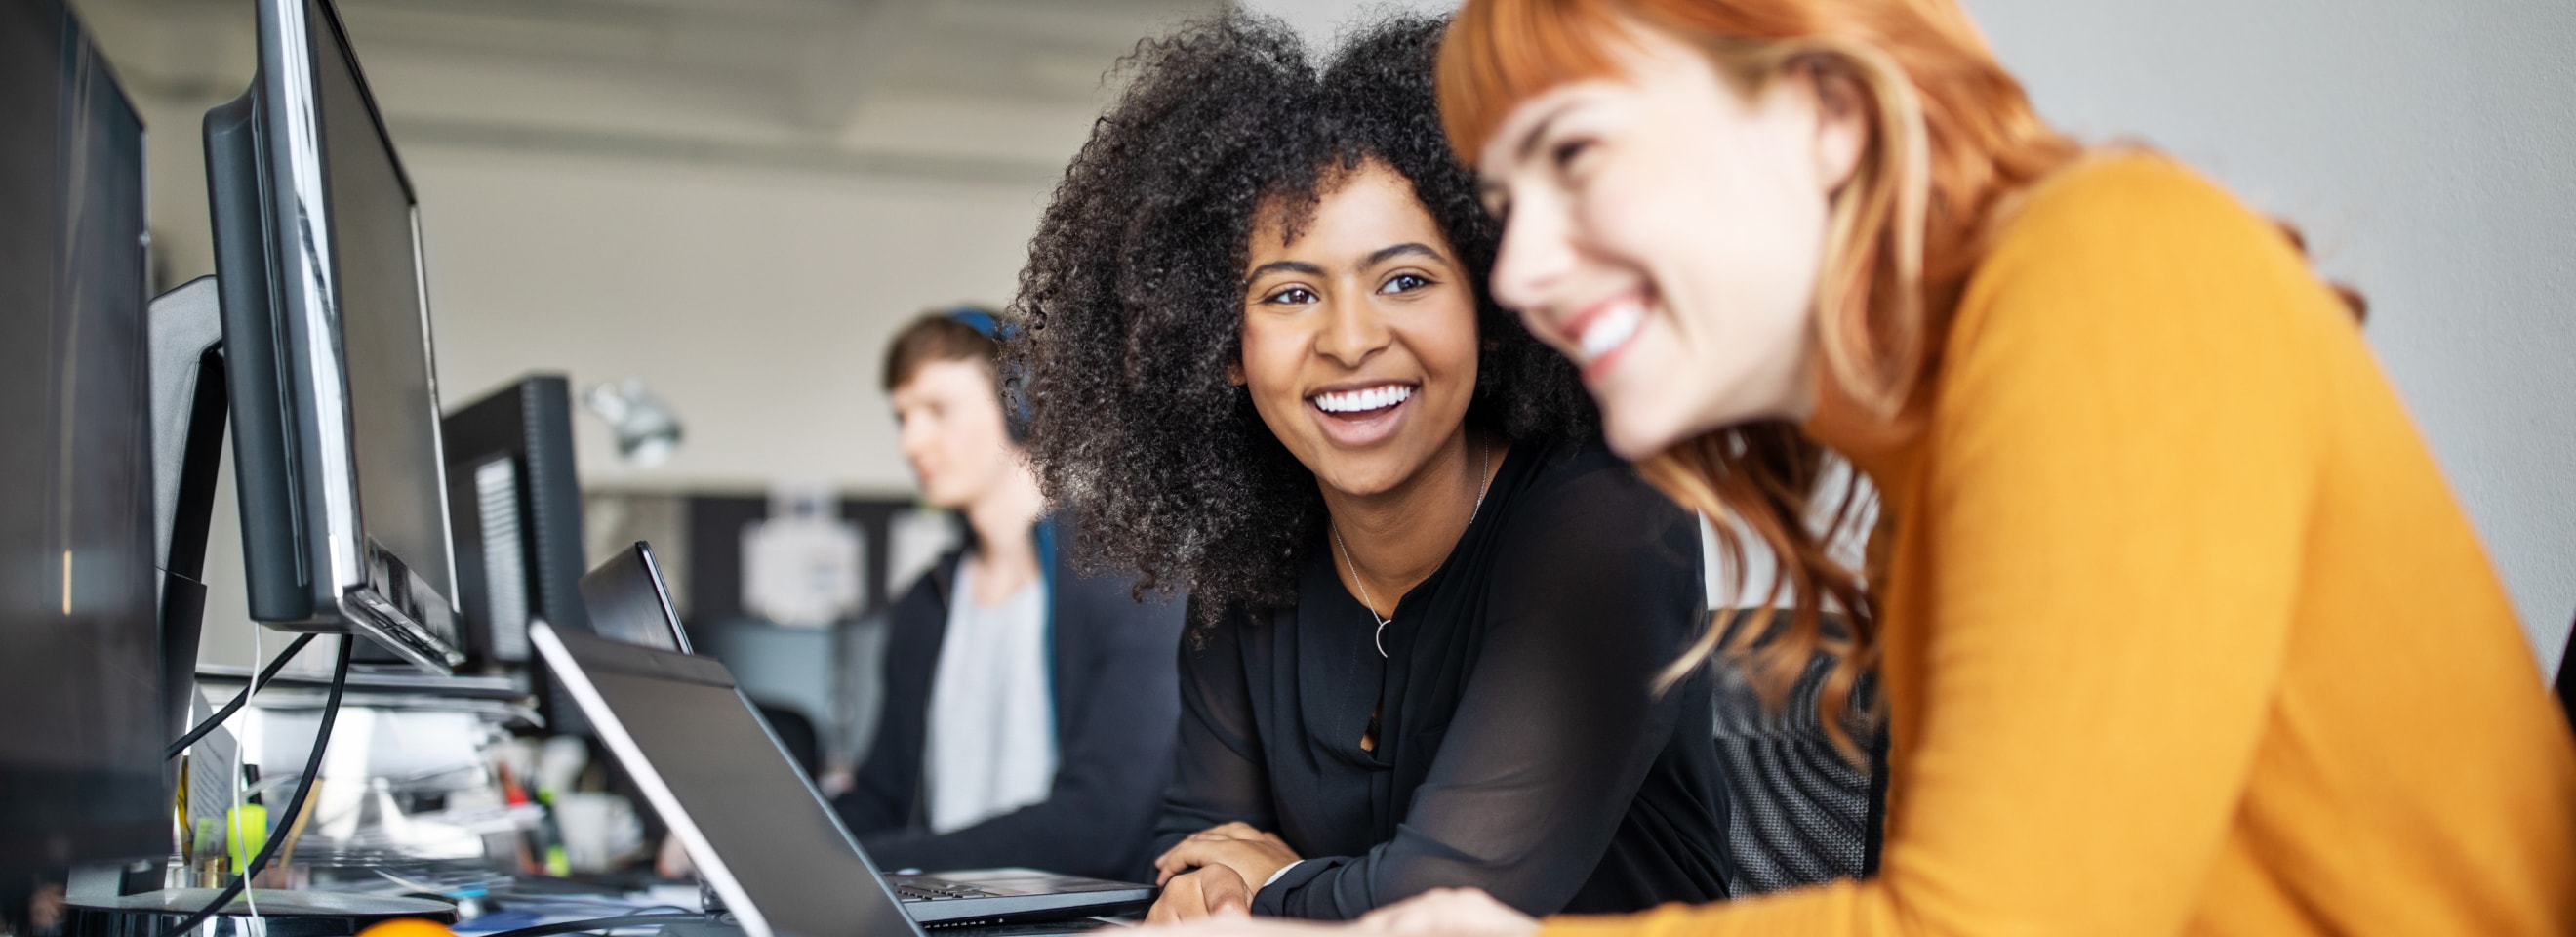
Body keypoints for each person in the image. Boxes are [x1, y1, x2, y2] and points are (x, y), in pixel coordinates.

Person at [1168, 0, 2575, 934]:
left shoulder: (2107, 270)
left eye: (1578, 155)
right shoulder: (1948, 439)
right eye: (1511, 203)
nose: (1524, 272)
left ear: (1828, 114)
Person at [1010, 13, 1734, 924]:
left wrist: (1271, 883)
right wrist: (1235, 887)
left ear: (1492, 302)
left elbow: (1449, 907)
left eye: (1405, 280)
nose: (1351, 341)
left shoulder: (1610, 523)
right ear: (1224, 346)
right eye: (1291, 294)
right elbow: (1196, 868)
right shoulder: (1249, 569)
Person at [830, 308, 1188, 882]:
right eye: (902, 416)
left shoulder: (1131, 585)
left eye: (937, 411)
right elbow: (880, 799)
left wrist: (864, 864)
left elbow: (1100, 827)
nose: (911, 440)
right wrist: (757, 844)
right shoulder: (927, 603)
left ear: (1020, 405)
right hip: (934, 913)